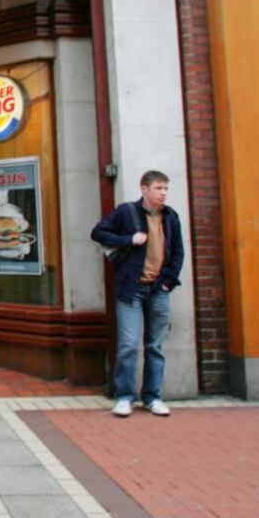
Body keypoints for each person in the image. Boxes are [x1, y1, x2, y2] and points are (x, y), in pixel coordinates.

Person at [91, 170, 184, 418]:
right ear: (144, 189)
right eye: (158, 188)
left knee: (155, 345)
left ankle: (153, 397)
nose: (163, 193)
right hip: (130, 289)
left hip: (158, 290)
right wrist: (129, 239)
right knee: (129, 345)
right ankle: (124, 397)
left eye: (165, 188)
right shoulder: (126, 213)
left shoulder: (171, 217)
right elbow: (98, 232)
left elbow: (177, 253)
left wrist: (167, 282)